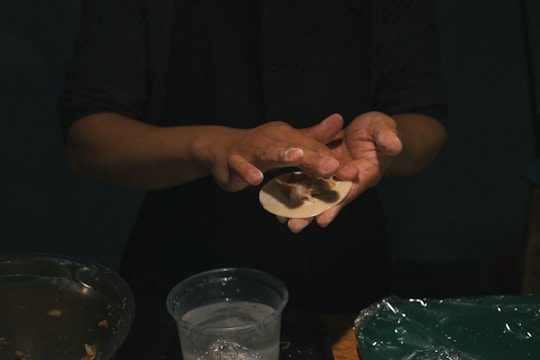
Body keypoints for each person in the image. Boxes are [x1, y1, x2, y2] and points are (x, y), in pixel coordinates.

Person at [59, 0, 446, 322]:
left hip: (345, 275)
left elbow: (424, 119)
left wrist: (384, 142)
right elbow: (88, 141)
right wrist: (215, 146)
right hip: (183, 268)